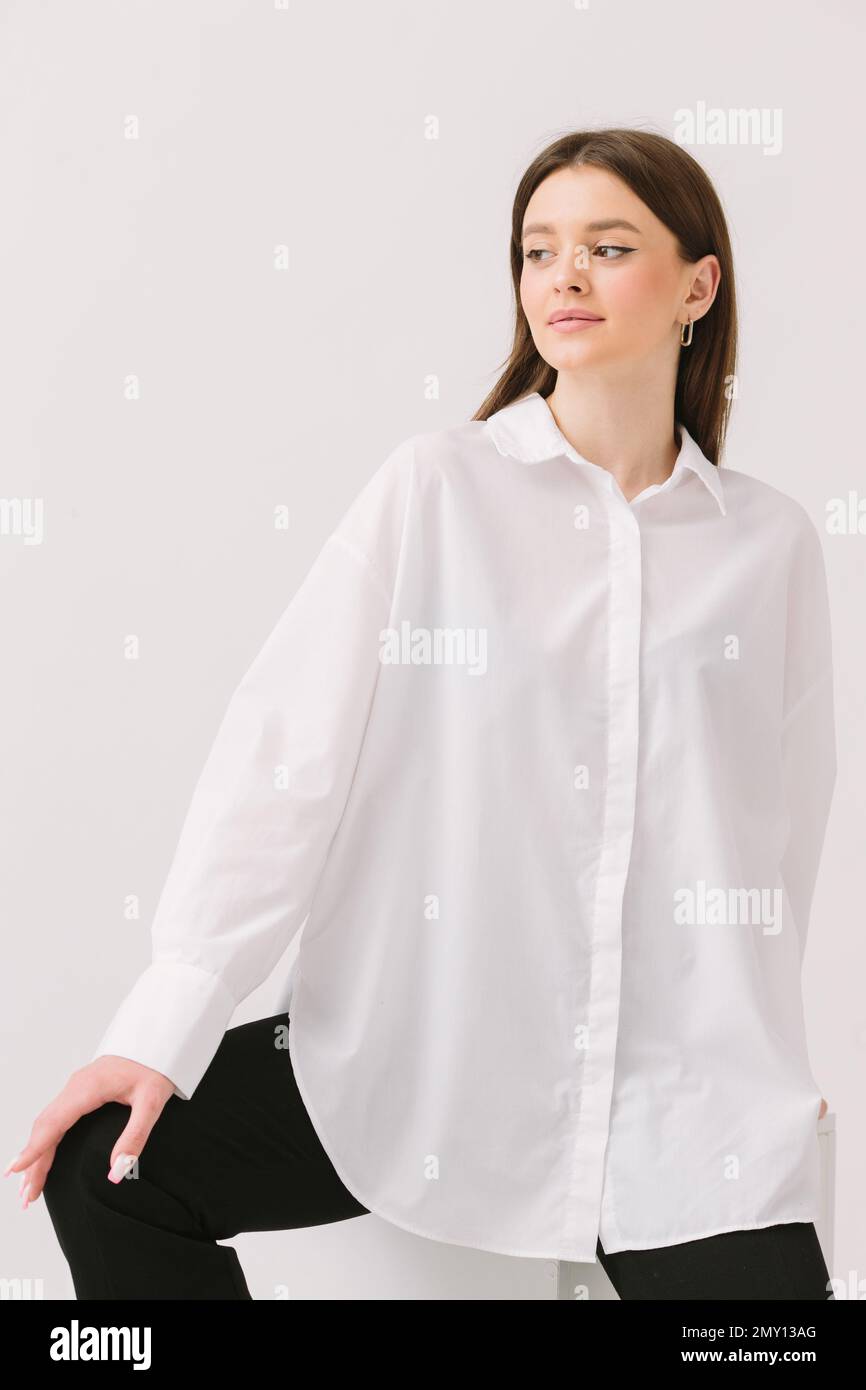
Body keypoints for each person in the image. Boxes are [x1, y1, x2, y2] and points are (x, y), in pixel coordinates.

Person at [6, 128, 837, 1300]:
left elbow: (775, 829)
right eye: (538, 251)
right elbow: (284, 759)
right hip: (431, 1047)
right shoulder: (435, 491)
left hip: (679, 1092)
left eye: (608, 247)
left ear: (696, 285)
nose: (564, 277)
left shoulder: (767, 543)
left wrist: (764, 1053)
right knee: (109, 1170)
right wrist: (168, 1016)